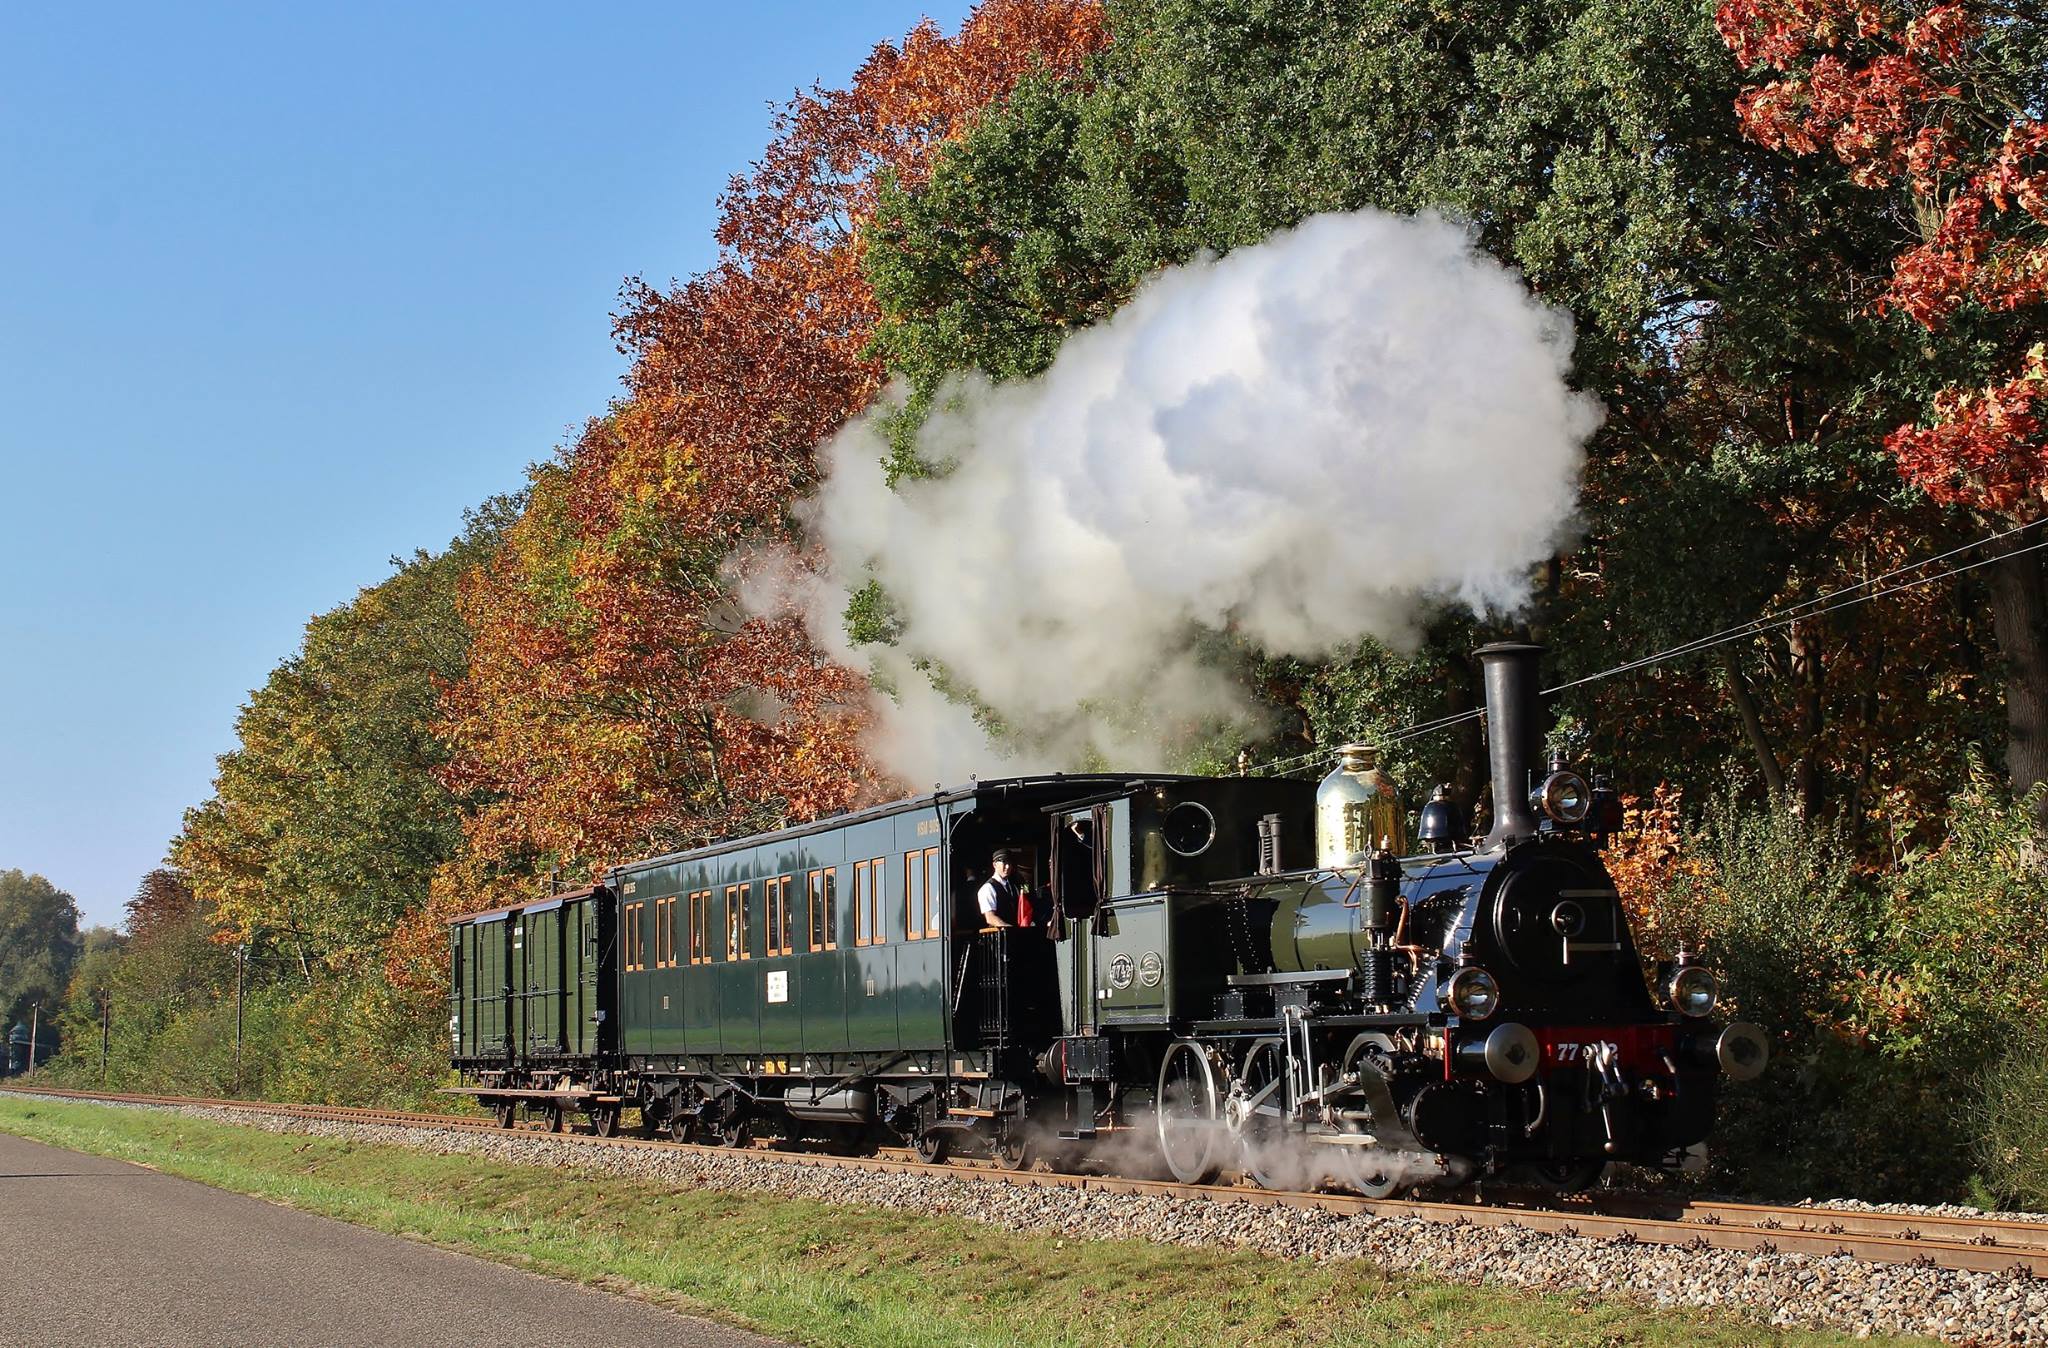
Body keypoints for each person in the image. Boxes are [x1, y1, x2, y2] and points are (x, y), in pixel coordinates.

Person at [976, 849, 1031, 930]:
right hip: (1001, 936)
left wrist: (1026, 882)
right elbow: (990, 918)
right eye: (1004, 863)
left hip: (1018, 933)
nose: (1008, 867)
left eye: (1009, 863)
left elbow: (1026, 900)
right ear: (994, 865)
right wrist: (1009, 928)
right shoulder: (987, 888)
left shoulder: (1015, 885)